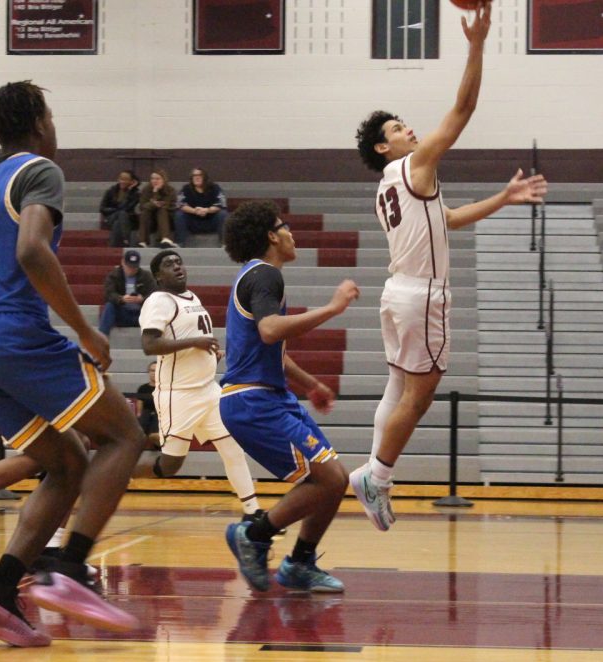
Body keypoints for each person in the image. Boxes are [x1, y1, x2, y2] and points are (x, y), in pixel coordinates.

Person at [0, 79, 144, 646]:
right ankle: (67, 568)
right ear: (40, 122)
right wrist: (85, 329)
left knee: (65, 462)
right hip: (16, 336)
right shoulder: (40, 170)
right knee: (125, 437)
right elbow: (32, 250)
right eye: (52, 115)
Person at [350, 0, 547, 531]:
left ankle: (369, 469)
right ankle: (379, 478)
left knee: (397, 387)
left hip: (398, 293)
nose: (407, 128)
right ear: (382, 146)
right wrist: (477, 45)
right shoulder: (412, 167)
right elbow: (461, 110)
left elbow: (449, 219)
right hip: (422, 296)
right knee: (422, 392)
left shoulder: (388, 187)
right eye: (396, 126)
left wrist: (503, 199)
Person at [218, 201, 360, 593]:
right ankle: (255, 534)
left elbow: (268, 349)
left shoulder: (256, 277)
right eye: (286, 227)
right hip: (252, 401)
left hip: (267, 395)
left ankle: (299, 563)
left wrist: (310, 383)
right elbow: (270, 330)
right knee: (329, 477)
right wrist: (332, 308)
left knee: (335, 479)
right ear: (271, 236)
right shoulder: (266, 275)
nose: (292, 234)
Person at [138, 248, 263, 520]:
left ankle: (253, 512)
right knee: (170, 465)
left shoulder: (191, 297)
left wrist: (208, 352)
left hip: (208, 390)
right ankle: (115, 468)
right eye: (169, 264)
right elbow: (150, 345)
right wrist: (196, 343)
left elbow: (192, 338)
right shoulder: (159, 300)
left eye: (178, 262)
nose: (177, 266)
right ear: (158, 276)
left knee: (232, 447)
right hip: (178, 395)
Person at [98, 249, 156, 336]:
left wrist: (142, 299)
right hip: (123, 313)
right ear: (122, 263)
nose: (131, 270)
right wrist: (121, 299)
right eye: (129, 267)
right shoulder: (114, 275)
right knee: (110, 306)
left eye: (134, 267)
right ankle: (102, 337)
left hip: (141, 314)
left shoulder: (146, 276)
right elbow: (108, 294)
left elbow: (155, 294)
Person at [174, 168, 228, 246]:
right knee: (179, 215)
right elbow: (181, 204)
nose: (197, 177)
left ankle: (224, 244)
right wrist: (194, 211)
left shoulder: (214, 187)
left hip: (211, 221)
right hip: (193, 222)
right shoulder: (186, 188)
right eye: (194, 175)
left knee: (223, 214)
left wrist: (207, 210)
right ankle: (180, 243)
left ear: (204, 177)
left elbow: (221, 203)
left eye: (199, 175)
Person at [137, 169, 178, 248]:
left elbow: (168, 205)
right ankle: (142, 241)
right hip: (150, 219)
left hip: (166, 218)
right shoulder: (146, 190)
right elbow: (142, 206)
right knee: (145, 212)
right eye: (152, 178)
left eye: (157, 179)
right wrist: (155, 195)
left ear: (163, 180)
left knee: (161, 210)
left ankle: (165, 239)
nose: (154, 181)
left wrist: (154, 200)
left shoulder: (170, 190)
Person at [99, 169, 140, 247]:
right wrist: (116, 211)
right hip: (112, 216)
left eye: (126, 180)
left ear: (132, 181)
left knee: (117, 223)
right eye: (121, 179)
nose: (122, 181)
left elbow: (127, 208)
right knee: (120, 214)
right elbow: (102, 208)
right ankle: (126, 238)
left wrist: (129, 192)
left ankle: (113, 246)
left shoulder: (135, 194)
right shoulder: (111, 191)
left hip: (129, 219)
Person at [135, 361, 162, 449]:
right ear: (149, 372)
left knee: (156, 415)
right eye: (152, 370)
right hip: (146, 416)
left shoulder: (165, 388)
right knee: (145, 414)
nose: (154, 373)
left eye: (156, 370)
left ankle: (155, 439)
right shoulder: (142, 388)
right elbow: (139, 409)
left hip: (159, 416)